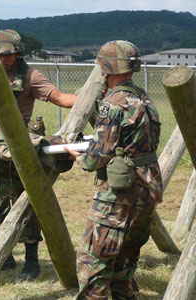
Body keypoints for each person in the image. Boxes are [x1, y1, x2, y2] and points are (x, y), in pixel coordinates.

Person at [0, 29, 77, 280]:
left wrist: (86, 98)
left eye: (8, 55)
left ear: (18, 54)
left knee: (26, 204)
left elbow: (59, 97)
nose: (3, 59)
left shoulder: (31, 77)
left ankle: (32, 261)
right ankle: (4, 254)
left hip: (18, 147)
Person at [65, 40, 163, 299]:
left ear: (106, 69)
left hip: (121, 193)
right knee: (124, 259)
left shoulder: (114, 103)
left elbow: (99, 155)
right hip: (148, 188)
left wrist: (77, 155)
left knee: (93, 258)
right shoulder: (143, 97)